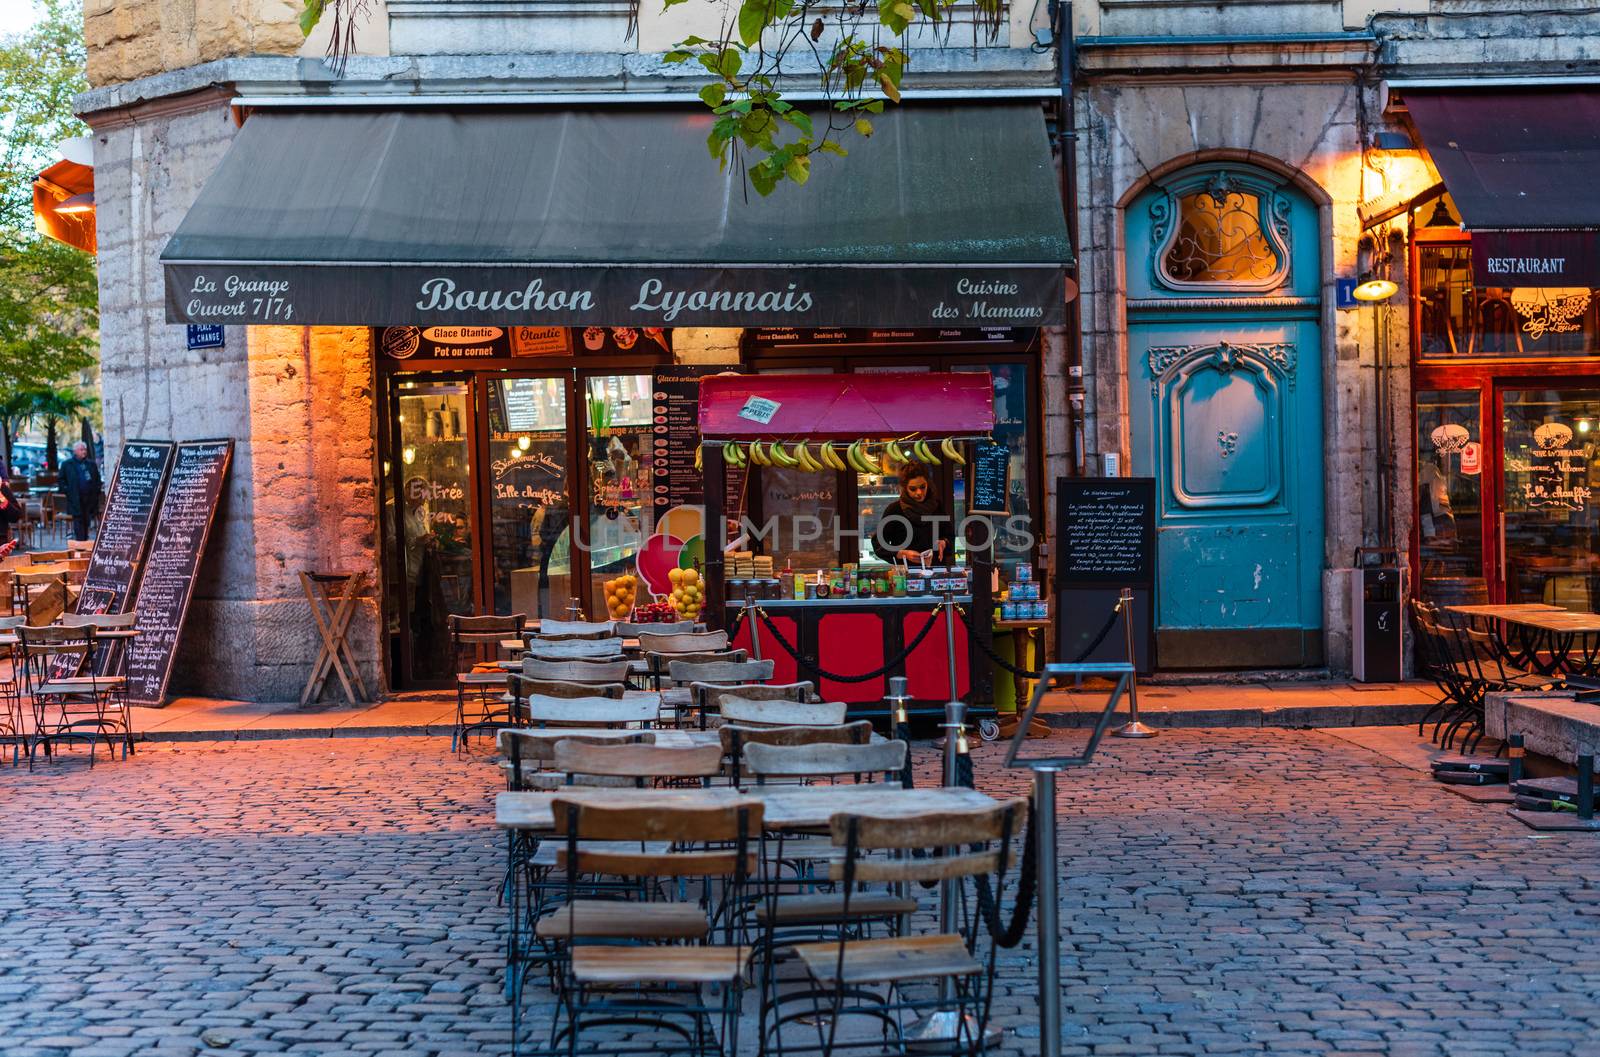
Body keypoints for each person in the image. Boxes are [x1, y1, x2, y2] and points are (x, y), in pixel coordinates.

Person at [872, 462, 955, 566]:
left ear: (928, 483)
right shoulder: (894, 510)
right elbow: (878, 544)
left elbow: (949, 535)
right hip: (904, 576)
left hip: (935, 572)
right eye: (913, 489)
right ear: (905, 488)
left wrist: (944, 542)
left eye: (922, 487)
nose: (919, 492)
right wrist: (902, 554)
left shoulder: (937, 507)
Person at [59, 441, 103, 543]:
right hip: (75, 499)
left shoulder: (91, 464)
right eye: (81, 449)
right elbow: (61, 480)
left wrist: (96, 491)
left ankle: (84, 541)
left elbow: (97, 479)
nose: (84, 452)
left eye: (85, 449)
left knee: (86, 522)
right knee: (78, 523)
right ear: (75, 451)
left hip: (89, 500)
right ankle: (80, 544)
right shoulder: (67, 464)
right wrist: (68, 490)